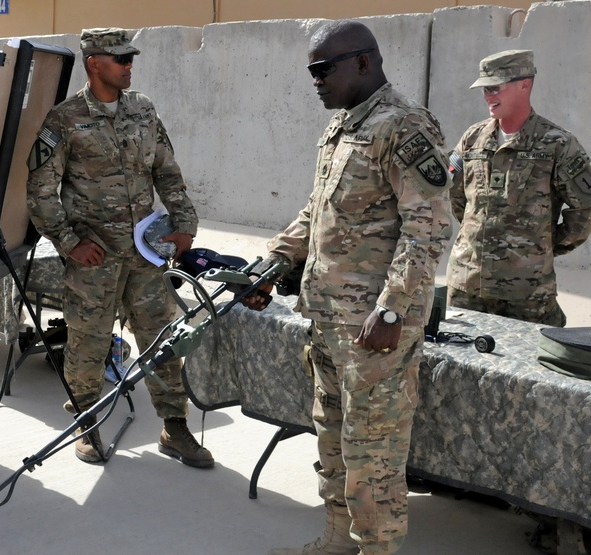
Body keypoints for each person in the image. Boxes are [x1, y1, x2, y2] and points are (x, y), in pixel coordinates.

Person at [243, 20, 452, 555]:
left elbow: (427, 229)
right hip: (328, 319)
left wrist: (392, 311)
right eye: (311, 71)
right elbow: (318, 211)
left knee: (372, 457)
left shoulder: (404, 127)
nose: (315, 80)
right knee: (333, 443)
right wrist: (272, 260)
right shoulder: (343, 128)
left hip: (372, 330)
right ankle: (338, 540)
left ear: (363, 62)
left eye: (323, 69)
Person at [26, 28, 213, 469]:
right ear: (94, 62)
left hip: (146, 253)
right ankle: (87, 421)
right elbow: (39, 191)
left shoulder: (144, 110)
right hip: (95, 256)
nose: (129, 66)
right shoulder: (64, 120)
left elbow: (167, 170)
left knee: (163, 337)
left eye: (131, 58)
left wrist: (184, 224)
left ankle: (175, 425)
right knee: (88, 341)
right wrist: (70, 243)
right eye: (120, 59)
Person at [447, 50, 591, 327]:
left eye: (494, 87)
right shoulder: (473, 138)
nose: (488, 96)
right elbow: (457, 197)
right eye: (484, 90)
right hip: (467, 285)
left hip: (526, 292)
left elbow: (584, 208)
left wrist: (544, 246)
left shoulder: (557, 144)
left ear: (524, 84)